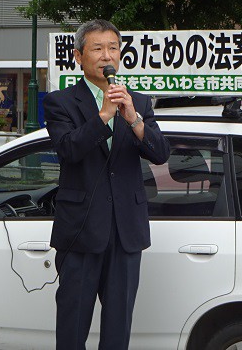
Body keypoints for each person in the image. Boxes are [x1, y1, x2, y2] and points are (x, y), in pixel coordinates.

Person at [43, 20, 170, 350]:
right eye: (97, 48)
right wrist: (103, 116)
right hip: (81, 231)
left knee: (118, 327)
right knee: (72, 327)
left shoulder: (138, 102)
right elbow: (68, 149)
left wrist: (133, 119)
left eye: (113, 47)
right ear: (78, 56)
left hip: (126, 231)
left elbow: (160, 153)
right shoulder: (61, 102)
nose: (106, 55)